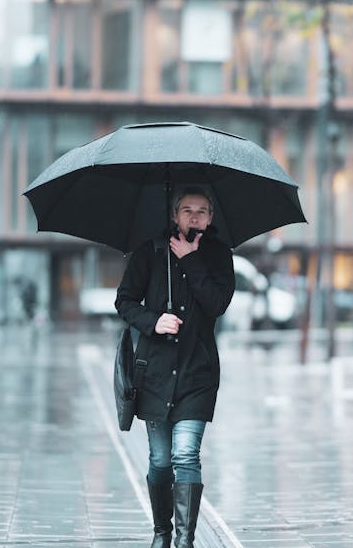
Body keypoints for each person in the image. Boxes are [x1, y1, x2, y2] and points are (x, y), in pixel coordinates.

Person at [115, 187, 235, 548]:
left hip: (197, 374)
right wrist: (153, 322)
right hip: (153, 373)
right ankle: (162, 532)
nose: (194, 217)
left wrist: (191, 260)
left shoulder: (218, 256)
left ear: (211, 217)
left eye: (201, 211)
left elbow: (216, 304)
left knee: (185, 454)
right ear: (175, 215)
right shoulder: (150, 252)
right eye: (187, 210)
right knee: (160, 459)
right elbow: (124, 300)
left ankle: (185, 540)